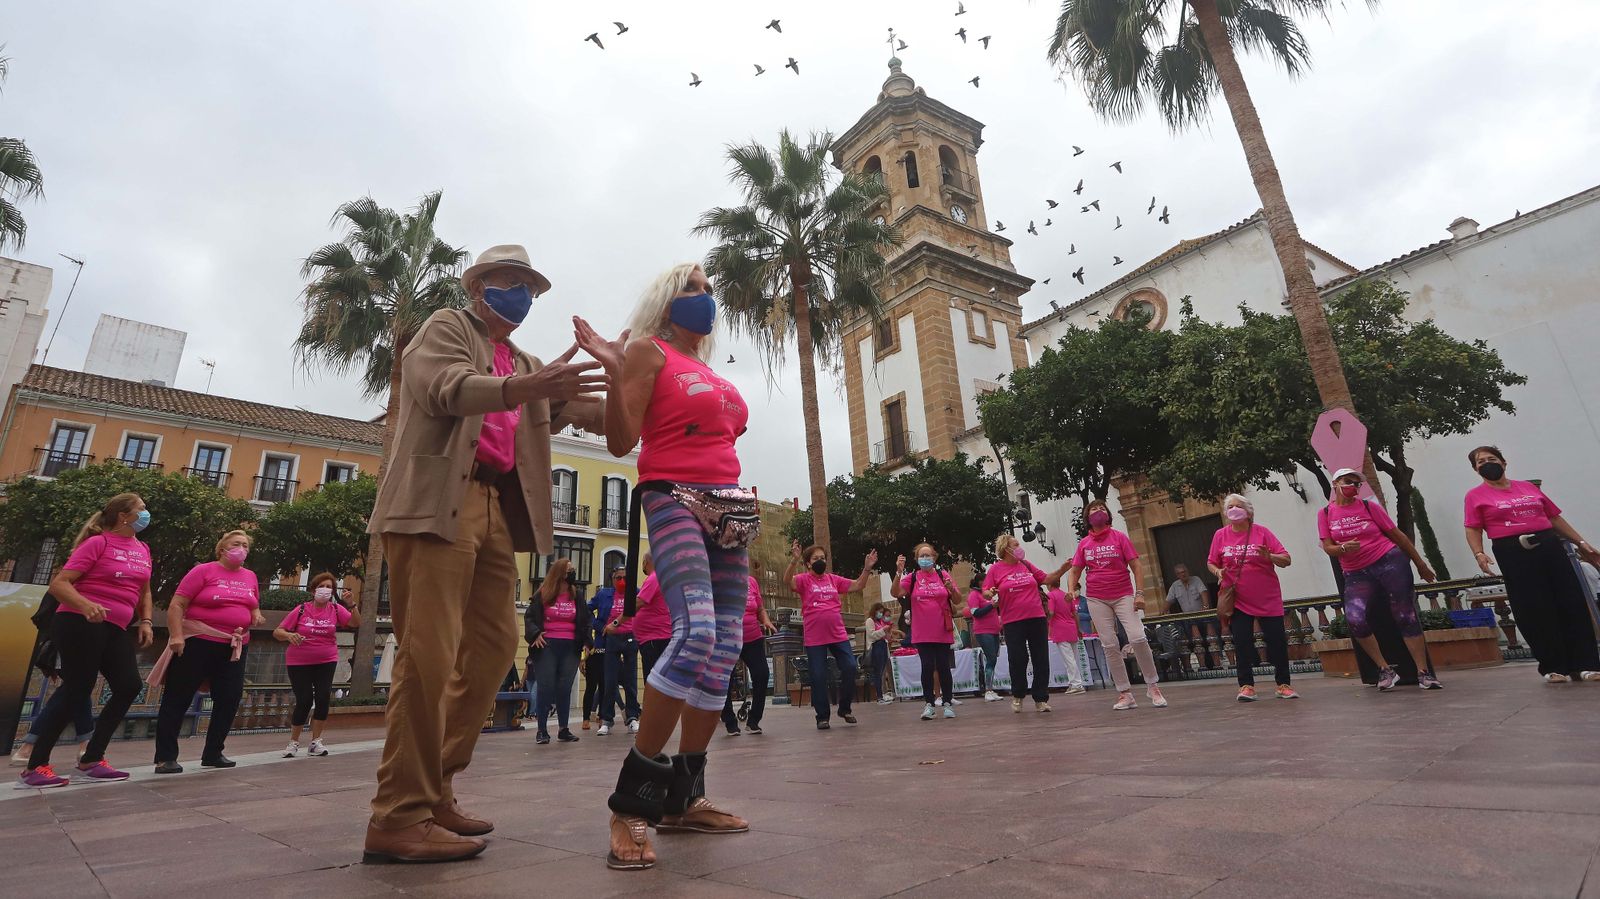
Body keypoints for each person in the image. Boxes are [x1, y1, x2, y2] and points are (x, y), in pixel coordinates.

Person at [363, 243, 616, 864]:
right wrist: (528, 385)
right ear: (478, 287)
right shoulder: (446, 327)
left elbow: (586, 409)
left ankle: (436, 789)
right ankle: (398, 815)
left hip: (494, 510)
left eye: (529, 286)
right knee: (426, 655)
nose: (522, 294)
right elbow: (445, 388)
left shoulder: (524, 361)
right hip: (436, 505)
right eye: (510, 281)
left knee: (496, 648)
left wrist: (642, 386)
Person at [599, 262, 755, 871]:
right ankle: (630, 802)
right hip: (671, 495)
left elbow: (726, 433)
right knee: (697, 634)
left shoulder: (709, 371)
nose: (704, 297)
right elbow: (620, 440)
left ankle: (685, 798)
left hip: (729, 505)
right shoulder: (648, 352)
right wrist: (615, 373)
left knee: (725, 647)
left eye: (710, 289)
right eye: (692, 288)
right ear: (668, 300)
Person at [19, 494, 153, 788]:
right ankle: (35, 766)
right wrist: (85, 604)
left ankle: (91, 760)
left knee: (129, 685)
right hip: (79, 622)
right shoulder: (98, 543)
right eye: (142, 509)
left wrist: (145, 620)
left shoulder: (143, 549)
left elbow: (144, 590)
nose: (147, 514)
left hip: (116, 626)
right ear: (124, 516)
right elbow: (59, 584)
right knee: (79, 686)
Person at [1463, 445, 1600, 683]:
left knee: (1570, 601)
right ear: (1476, 469)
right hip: (1513, 551)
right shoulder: (1475, 496)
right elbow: (1472, 528)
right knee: (1534, 608)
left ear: (1504, 462)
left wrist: (1581, 542)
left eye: (1491, 458)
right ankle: (1554, 666)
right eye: (1481, 462)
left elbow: (1554, 517)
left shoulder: (1527, 488)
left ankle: (1586, 664)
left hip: (1548, 546)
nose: (1487, 464)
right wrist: (1479, 553)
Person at [1319, 467, 1442, 691]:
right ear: (1335, 483)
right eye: (1347, 481)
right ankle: (1385, 669)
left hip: (1388, 561)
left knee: (1405, 614)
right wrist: (1343, 548)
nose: (1352, 486)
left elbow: (1397, 535)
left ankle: (1423, 672)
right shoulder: (1325, 513)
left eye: (1356, 483)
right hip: (1356, 572)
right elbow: (1328, 547)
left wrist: (1420, 564)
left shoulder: (1369, 507)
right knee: (1355, 619)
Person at [152, 529, 263, 773]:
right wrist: (176, 636)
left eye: (245, 545)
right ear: (222, 549)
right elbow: (177, 604)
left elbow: (252, 601)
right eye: (236, 544)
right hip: (199, 641)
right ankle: (166, 757)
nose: (241, 549)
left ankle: (213, 752)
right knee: (178, 697)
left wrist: (255, 613)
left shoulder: (250, 576)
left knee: (229, 698)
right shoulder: (203, 571)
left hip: (234, 645)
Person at [1067, 501, 1167, 711]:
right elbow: (1075, 570)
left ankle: (1153, 686)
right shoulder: (1084, 544)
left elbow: (1136, 565)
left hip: (1123, 595)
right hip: (1096, 598)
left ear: (1108, 515)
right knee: (1109, 644)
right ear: (1087, 518)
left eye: (1102, 508)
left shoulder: (1119, 537)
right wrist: (1070, 590)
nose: (1099, 511)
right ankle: (1125, 693)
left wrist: (1140, 594)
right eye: (1094, 509)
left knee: (1137, 637)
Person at [1208, 494, 1295, 702]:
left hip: (1267, 597)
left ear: (1248, 512)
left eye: (1238, 506)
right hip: (1238, 599)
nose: (1233, 510)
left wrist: (1270, 557)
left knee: (1277, 641)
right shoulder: (1220, 535)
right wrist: (1218, 572)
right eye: (1230, 507)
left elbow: (1286, 559)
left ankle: (1283, 684)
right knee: (1242, 642)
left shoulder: (1262, 532)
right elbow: (1211, 562)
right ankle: (1246, 686)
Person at [787, 541, 878, 730]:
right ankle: (822, 716)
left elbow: (858, 585)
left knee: (850, 667)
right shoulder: (804, 580)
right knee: (818, 675)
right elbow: (788, 581)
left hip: (838, 634)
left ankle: (844, 709)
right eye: (815, 558)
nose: (820, 561)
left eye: (822, 558)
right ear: (808, 563)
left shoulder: (833, 579)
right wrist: (794, 560)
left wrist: (867, 568)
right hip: (815, 637)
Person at [276, 572, 362, 757]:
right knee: (305, 699)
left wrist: (351, 604)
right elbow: (278, 631)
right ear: (313, 590)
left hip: (326, 660)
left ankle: (316, 742)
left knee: (323, 698)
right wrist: (289, 635)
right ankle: (293, 742)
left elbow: (355, 623)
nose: (325, 590)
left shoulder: (336, 609)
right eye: (322, 586)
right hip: (299, 661)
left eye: (329, 587)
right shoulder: (301, 609)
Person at [984, 534, 1070, 713]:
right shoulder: (995, 569)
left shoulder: (1026, 565)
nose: (1019, 548)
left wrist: (1063, 569)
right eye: (1015, 545)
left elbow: (1046, 579)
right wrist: (990, 592)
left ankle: (1041, 698)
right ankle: (1018, 695)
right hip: (1013, 621)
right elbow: (986, 591)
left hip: (1036, 617)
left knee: (1041, 657)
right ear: (1005, 548)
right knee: (1018, 658)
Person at [525, 558, 593, 744]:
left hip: (571, 646)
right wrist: (535, 634)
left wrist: (587, 642)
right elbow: (530, 617)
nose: (573, 573)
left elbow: (586, 620)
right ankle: (542, 730)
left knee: (564, 687)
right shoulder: (542, 594)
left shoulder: (577, 596)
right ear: (560, 573)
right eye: (570, 570)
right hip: (547, 645)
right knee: (545, 686)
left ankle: (564, 728)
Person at [892, 545, 962, 720]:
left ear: (934, 557)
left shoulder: (942, 575)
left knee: (944, 666)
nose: (925, 558)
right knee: (927, 666)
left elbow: (957, 600)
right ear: (917, 559)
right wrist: (898, 572)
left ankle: (947, 703)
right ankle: (929, 704)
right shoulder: (913, 577)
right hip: (922, 632)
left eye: (928, 555)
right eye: (922, 556)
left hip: (942, 629)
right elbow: (895, 592)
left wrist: (951, 589)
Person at [722, 575, 775, 735]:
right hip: (727, 639)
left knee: (762, 674)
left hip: (752, 637)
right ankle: (729, 721)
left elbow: (760, 609)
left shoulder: (751, 581)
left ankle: (753, 721)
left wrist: (766, 621)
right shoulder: (718, 579)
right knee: (725, 679)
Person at [599, 572, 641, 736]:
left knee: (630, 680)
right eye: (618, 578)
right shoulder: (605, 594)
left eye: (625, 578)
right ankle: (606, 720)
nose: (622, 581)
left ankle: (632, 717)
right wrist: (601, 627)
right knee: (610, 681)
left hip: (630, 636)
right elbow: (588, 610)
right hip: (612, 638)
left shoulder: (636, 592)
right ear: (612, 580)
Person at [1165, 563, 1216, 669]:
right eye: (1180, 573)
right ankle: (1194, 668)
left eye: (1184, 572)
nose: (1183, 574)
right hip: (1187, 620)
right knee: (1190, 644)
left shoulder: (1196, 580)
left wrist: (1205, 607)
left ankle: (1212, 666)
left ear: (1188, 571)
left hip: (1201, 617)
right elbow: (1168, 601)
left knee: (1208, 641)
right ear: (1177, 575)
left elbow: (1203, 593)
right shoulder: (1175, 586)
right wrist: (1164, 612)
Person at [633, 555, 672, 682]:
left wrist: (617, 622)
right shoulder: (662, 577)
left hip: (654, 638)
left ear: (646, 562)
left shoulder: (654, 578)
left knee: (652, 680)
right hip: (656, 636)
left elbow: (638, 603)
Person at [968, 573, 1003, 702]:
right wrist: (991, 606)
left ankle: (990, 689)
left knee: (993, 659)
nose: (987, 583)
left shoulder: (989, 595)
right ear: (978, 582)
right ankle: (988, 690)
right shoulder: (974, 595)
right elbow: (976, 613)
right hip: (983, 631)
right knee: (991, 658)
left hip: (994, 630)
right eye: (984, 580)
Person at [1046, 584, 1087, 693]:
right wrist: (1078, 629)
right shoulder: (1067, 595)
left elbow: (1051, 612)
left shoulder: (1050, 595)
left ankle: (1077, 684)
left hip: (1060, 630)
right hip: (1071, 628)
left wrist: (1045, 620)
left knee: (1068, 660)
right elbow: (1075, 613)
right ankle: (1073, 682)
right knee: (1073, 659)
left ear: (1049, 584)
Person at [864, 601, 897, 704]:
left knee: (882, 671)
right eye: (880, 612)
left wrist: (888, 632)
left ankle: (882, 694)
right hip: (876, 647)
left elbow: (885, 636)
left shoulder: (880, 622)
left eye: (882, 612)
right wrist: (883, 630)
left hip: (883, 646)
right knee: (877, 673)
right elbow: (872, 635)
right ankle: (879, 696)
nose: (881, 614)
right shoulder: (870, 621)